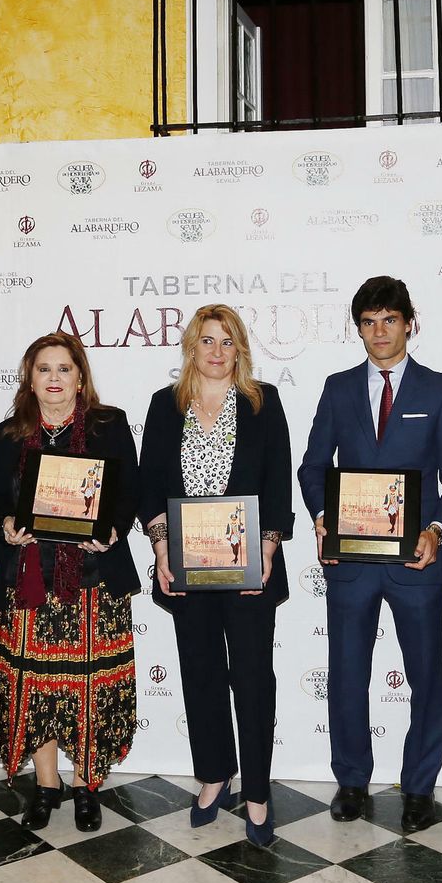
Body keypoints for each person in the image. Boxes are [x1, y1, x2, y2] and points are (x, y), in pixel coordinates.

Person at [299, 276, 442, 833]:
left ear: (409, 323)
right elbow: (313, 467)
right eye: (368, 322)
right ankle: (351, 780)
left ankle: (419, 786)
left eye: (389, 320)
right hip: (350, 562)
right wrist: (323, 519)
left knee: (426, 675)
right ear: (358, 328)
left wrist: (437, 530)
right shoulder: (338, 388)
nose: (379, 332)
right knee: (347, 673)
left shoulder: (439, 390)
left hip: (416, 560)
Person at [142, 304, 293, 847]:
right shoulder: (167, 404)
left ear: (240, 350)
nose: (216, 351)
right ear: (191, 347)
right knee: (200, 671)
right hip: (187, 567)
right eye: (207, 340)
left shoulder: (262, 401)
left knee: (253, 678)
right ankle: (213, 774)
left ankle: (256, 790)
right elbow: (150, 482)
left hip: (249, 566)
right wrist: (161, 546)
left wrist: (270, 546)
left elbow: (278, 481)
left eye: (227, 342)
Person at [0, 332, 140, 832]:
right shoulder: (9, 434)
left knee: (88, 688)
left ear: (80, 377)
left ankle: (85, 785)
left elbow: (127, 492)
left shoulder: (109, 426)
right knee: (35, 687)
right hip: (28, 582)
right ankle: (46, 784)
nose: (54, 379)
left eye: (64, 369)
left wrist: (111, 529)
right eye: (44, 369)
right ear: (30, 380)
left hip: (92, 580)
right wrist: (6, 525)